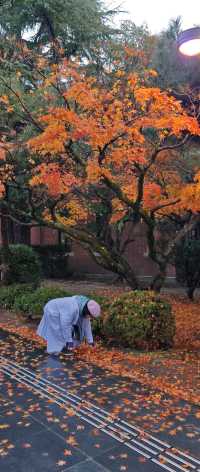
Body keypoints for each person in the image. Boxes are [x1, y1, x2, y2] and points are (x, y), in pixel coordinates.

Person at [37, 295, 101, 355]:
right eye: (90, 316)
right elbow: (65, 326)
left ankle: (64, 346)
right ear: (87, 311)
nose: (90, 318)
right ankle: (55, 351)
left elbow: (87, 326)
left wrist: (91, 341)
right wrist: (69, 341)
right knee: (56, 330)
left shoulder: (84, 306)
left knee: (68, 331)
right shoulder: (72, 308)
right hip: (52, 310)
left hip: (61, 311)